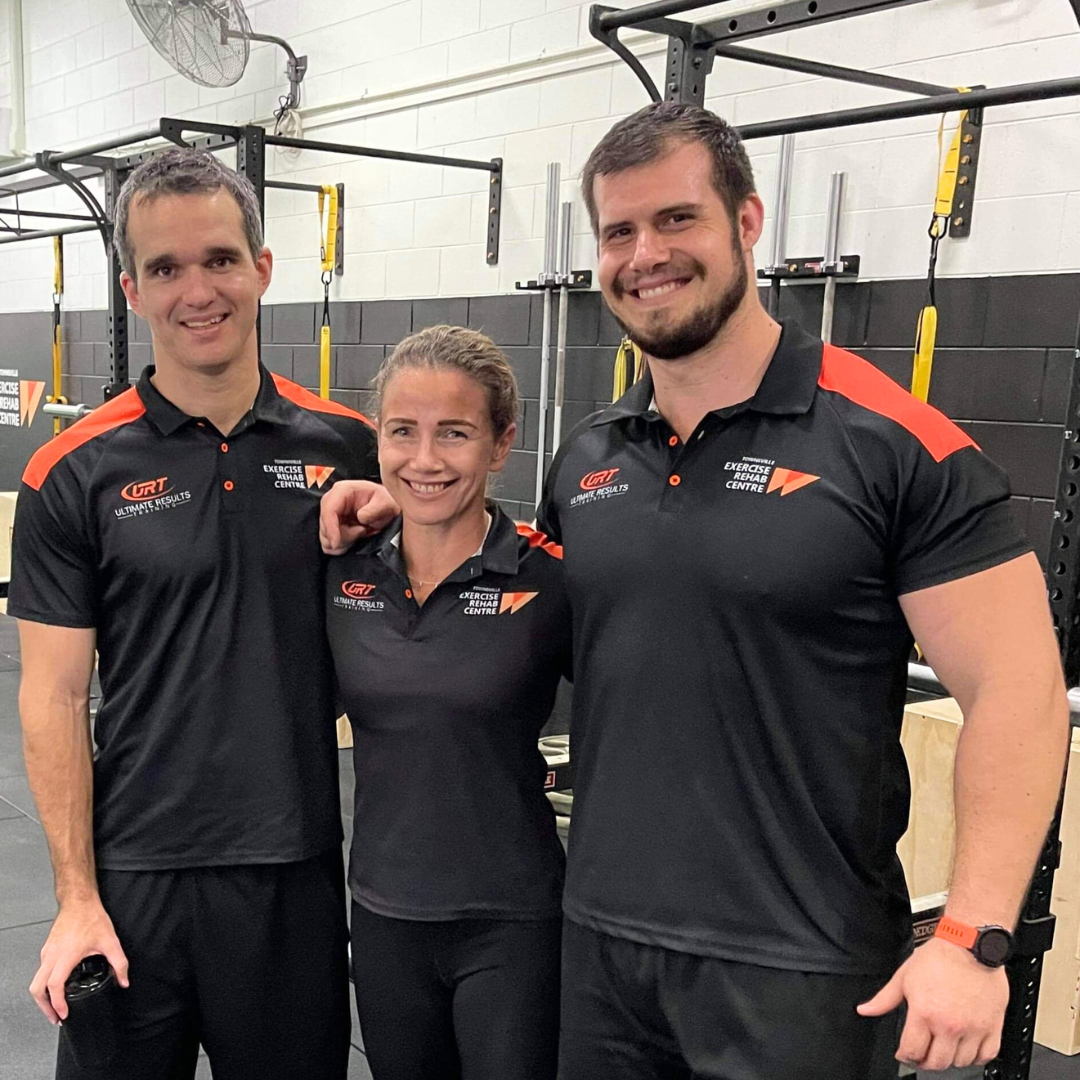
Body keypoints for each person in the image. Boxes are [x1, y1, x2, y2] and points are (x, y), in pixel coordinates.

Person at [322, 103, 1070, 1079]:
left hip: (798, 963)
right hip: (599, 953)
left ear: (747, 223)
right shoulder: (590, 460)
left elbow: (1018, 690)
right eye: (619, 230)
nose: (646, 254)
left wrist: (974, 934)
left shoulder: (894, 445)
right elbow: (505, 584)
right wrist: (397, 505)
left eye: (677, 219)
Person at [8, 147, 393, 1079]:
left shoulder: (350, 448)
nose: (198, 290)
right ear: (134, 291)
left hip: (291, 871)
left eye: (220, 259)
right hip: (131, 877)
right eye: (166, 268)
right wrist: (74, 898)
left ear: (262, 268)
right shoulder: (73, 472)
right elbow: (54, 699)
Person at [326, 325, 569, 1080]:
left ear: (501, 445)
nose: (424, 461)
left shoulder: (551, 579)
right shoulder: (338, 573)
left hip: (512, 920)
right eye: (403, 432)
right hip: (384, 910)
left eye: (454, 434)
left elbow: (651, 711)